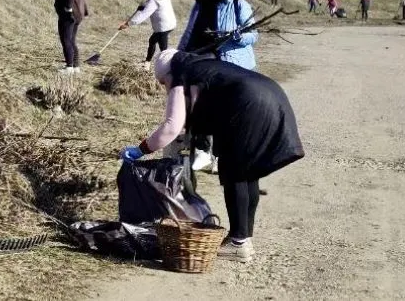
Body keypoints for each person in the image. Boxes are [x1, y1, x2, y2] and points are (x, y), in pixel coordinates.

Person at [119, 49, 304, 263]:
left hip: (248, 104)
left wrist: (141, 149)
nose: (164, 87)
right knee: (248, 173)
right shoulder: (203, 67)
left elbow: (171, 127)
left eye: (162, 82)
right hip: (271, 94)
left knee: (234, 173)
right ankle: (243, 239)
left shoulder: (181, 75)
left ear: (167, 75)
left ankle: (238, 243)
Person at [176, 0, 258, 172]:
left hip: (232, 64)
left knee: (227, 111)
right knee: (198, 102)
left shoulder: (239, 4)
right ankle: (202, 149)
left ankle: (222, 155)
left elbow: (253, 35)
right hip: (203, 60)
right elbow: (189, 31)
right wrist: (179, 53)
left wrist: (237, 35)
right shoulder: (200, 3)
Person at [119, 0, 178, 66]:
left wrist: (128, 24)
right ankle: (148, 63)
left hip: (163, 27)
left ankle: (167, 66)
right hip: (169, 24)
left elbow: (143, 15)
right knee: (153, 41)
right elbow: (148, 2)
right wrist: (142, 6)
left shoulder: (154, 2)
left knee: (163, 49)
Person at [54, 0, 88, 74]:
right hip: (77, 13)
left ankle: (69, 67)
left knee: (66, 40)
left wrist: (68, 7)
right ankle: (75, 66)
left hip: (69, 14)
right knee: (71, 40)